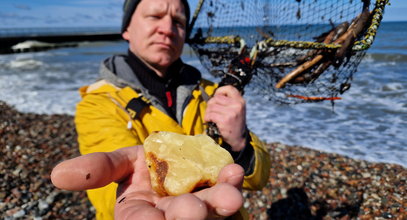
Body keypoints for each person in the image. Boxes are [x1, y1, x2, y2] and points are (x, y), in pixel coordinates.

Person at [51, 0, 270, 219]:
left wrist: (239, 143)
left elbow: (258, 179)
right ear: (126, 29)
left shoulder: (211, 93)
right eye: (154, 16)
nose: (167, 29)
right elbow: (109, 196)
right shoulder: (100, 103)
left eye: (178, 21)